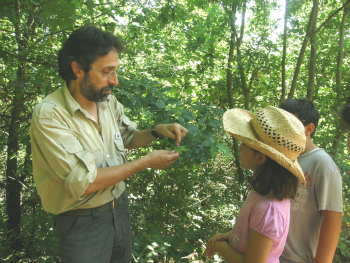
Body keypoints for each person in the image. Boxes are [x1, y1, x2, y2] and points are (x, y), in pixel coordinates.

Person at [30, 25, 188, 263]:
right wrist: (145, 163)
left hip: (120, 210)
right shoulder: (50, 115)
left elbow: (127, 138)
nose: (114, 81)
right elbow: (83, 183)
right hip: (82, 223)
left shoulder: (107, 101)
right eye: (107, 72)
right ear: (77, 69)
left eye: (115, 71)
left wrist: (156, 131)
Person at [204, 106, 306, 263]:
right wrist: (227, 236)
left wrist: (220, 246)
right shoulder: (264, 192)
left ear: (260, 158)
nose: (240, 147)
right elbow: (250, 231)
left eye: (245, 144)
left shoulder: (268, 209)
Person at [279, 99, 343, 263]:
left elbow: (332, 218)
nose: (282, 130)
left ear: (309, 129)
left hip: (298, 259)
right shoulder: (281, 157)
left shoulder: (322, 164)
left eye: (290, 124)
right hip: (271, 253)